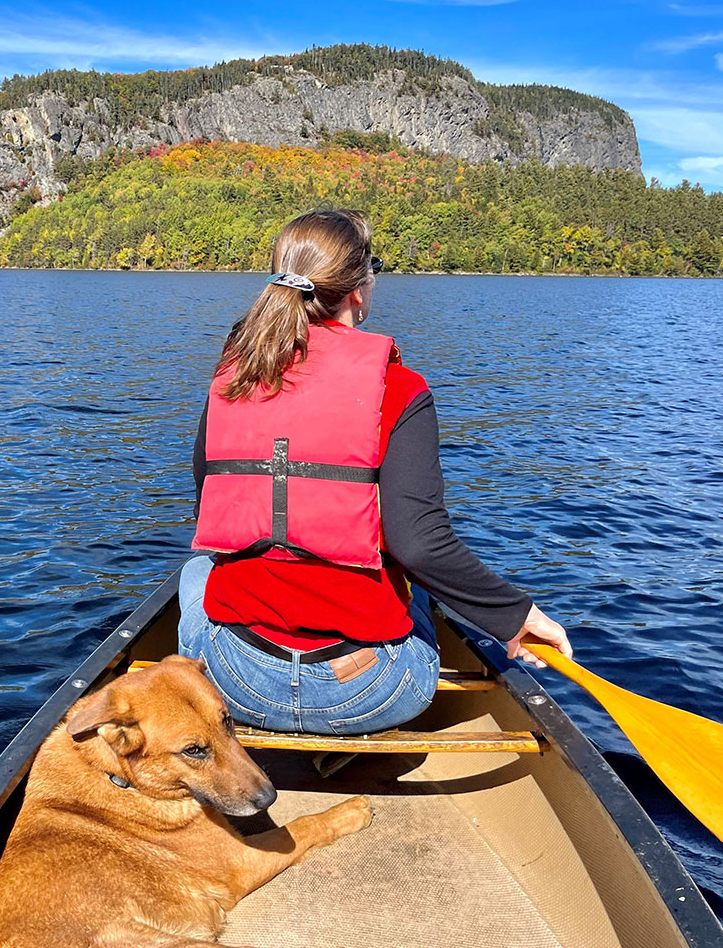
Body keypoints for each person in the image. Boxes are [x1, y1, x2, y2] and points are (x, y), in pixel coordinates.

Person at [178, 209, 572, 735]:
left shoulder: (235, 375)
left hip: (234, 681)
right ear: (359, 290)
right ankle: (339, 736)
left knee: (196, 571)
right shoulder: (401, 389)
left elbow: (210, 494)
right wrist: (516, 616)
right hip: (368, 691)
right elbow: (420, 546)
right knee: (422, 585)